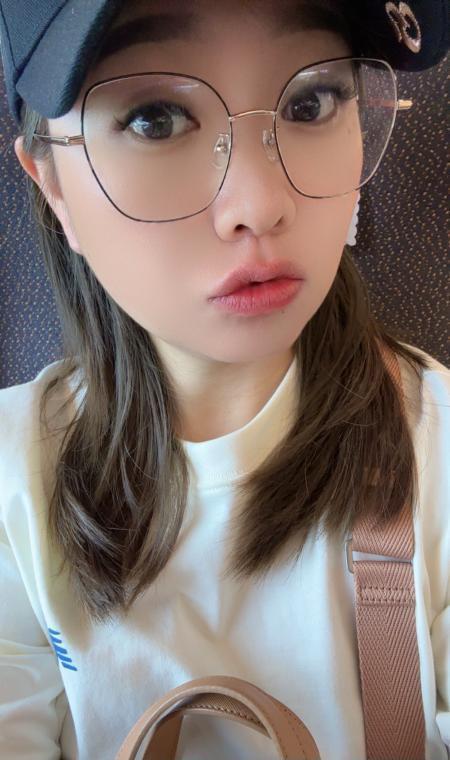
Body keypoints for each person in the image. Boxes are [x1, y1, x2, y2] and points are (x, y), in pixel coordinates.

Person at [0, 0, 448, 758]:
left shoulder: (437, 451)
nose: (260, 206)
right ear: (54, 187)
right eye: (155, 120)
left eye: (310, 102)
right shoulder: (14, 477)